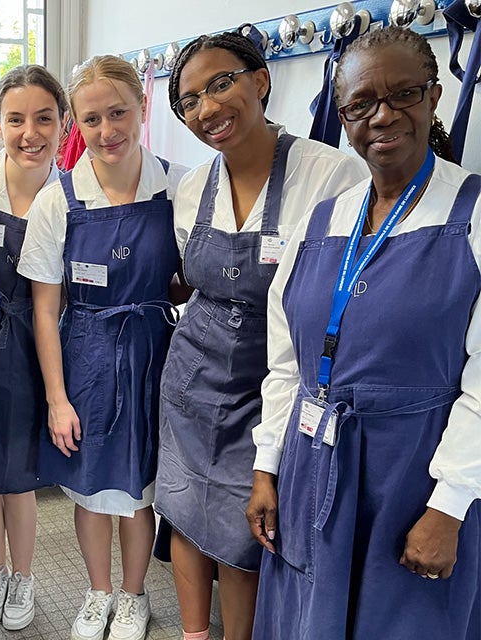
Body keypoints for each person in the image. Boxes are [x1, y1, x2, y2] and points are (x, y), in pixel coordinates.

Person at [246, 25, 481, 639]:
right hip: (312, 460)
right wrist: (268, 466)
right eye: (360, 104)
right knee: (305, 618)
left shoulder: (474, 215)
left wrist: (449, 506)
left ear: (434, 98)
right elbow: (288, 364)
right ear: (343, 115)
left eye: (403, 94)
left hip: (414, 476)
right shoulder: (322, 221)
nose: (383, 116)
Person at [151, 31, 366, 640]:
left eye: (221, 84)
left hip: (274, 382)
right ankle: (195, 634)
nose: (208, 108)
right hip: (190, 379)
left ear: (260, 80)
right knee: (183, 511)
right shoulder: (191, 188)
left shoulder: (330, 175)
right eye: (189, 101)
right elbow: (186, 282)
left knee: (247, 531)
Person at [17, 54, 187, 640]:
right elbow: (44, 308)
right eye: (91, 120)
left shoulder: (180, 187)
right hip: (84, 355)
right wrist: (57, 399)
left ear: (143, 107)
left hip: (154, 354)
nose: (107, 130)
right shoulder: (57, 200)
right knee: (90, 488)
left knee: (139, 490)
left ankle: (134, 596)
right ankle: (96, 593)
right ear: (74, 125)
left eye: (118, 113)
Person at [0, 64, 69, 631]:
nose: (30, 132)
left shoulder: (72, 192)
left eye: (44, 118)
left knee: (21, 475)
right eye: (15, 119)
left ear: (62, 122)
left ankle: (25, 576)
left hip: (37, 348)